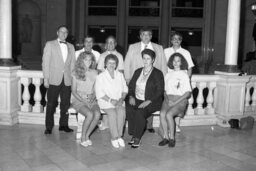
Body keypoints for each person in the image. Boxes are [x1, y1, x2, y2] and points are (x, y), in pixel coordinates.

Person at [124, 27, 167, 133]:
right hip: (136, 81)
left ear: (151, 36)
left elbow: (163, 65)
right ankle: (137, 127)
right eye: (143, 34)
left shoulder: (159, 48)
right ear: (140, 36)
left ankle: (149, 125)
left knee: (149, 100)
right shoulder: (133, 47)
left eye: (148, 34)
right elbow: (127, 64)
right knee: (136, 103)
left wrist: (163, 81)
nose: (146, 36)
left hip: (153, 81)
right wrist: (128, 79)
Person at [126, 49, 164, 148]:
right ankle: (134, 133)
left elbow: (159, 91)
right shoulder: (138, 71)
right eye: (144, 58)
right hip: (137, 98)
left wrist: (148, 101)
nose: (146, 61)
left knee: (140, 112)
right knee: (130, 108)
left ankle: (137, 137)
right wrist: (131, 96)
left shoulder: (157, 73)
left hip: (152, 101)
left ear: (153, 60)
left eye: (148, 58)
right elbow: (131, 86)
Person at [42, 25, 76, 134]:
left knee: (65, 104)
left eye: (66, 32)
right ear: (57, 33)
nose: (64, 34)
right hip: (53, 79)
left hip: (67, 80)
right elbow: (45, 63)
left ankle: (63, 125)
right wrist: (46, 78)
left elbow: (73, 65)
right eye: (62, 32)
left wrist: (73, 79)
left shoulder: (71, 46)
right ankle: (48, 126)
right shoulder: (50, 44)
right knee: (51, 103)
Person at [158, 53, 192, 147]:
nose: (176, 63)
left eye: (178, 61)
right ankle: (166, 137)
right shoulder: (168, 75)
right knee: (162, 114)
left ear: (181, 63)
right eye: (174, 60)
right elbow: (164, 90)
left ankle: (172, 138)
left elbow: (188, 93)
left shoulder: (184, 75)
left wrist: (175, 102)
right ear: (171, 62)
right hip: (168, 99)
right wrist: (167, 99)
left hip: (180, 100)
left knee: (169, 115)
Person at [95, 54, 128, 148]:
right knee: (112, 113)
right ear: (105, 64)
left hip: (118, 101)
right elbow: (99, 93)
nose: (112, 65)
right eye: (109, 63)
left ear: (116, 64)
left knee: (121, 111)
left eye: (114, 63)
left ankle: (119, 136)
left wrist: (122, 99)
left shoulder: (120, 75)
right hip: (106, 102)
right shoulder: (100, 76)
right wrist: (110, 100)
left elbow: (125, 89)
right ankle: (114, 137)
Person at [164, 31, 194, 133]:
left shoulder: (186, 53)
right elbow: (164, 67)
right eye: (174, 38)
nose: (176, 40)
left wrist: (187, 80)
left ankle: (176, 124)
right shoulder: (166, 51)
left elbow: (189, 68)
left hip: (181, 81)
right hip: (169, 81)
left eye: (178, 39)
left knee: (179, 103)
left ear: (181, 41)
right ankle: (170, 125)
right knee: (169, 103)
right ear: (171, 40)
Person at [71, 52, 101, 147]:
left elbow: (96, 89)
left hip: (91, 99)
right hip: (78, 100)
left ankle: (87, 135)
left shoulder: (95, 73)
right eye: (85, 59)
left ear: (92, 61)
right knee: (89, 114)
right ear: (81, 60)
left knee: (97, 114)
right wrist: (83, 100)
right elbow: (74, 91)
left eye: (90, 59)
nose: (88, 62)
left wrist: (93, 96)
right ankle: (83, 137)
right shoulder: (75, 72)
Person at [97, 36, 125, 131]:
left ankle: (116, 129)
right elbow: (100, 71)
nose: (110, 44)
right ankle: (105, 123)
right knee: (109, 108)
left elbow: (120, 71)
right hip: (105, 84)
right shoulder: (102, 56)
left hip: (116, 84)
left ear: (115, 44)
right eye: (108, 42)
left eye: (112, 42)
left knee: (118, 109)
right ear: (106, 44)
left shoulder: (120, 56)